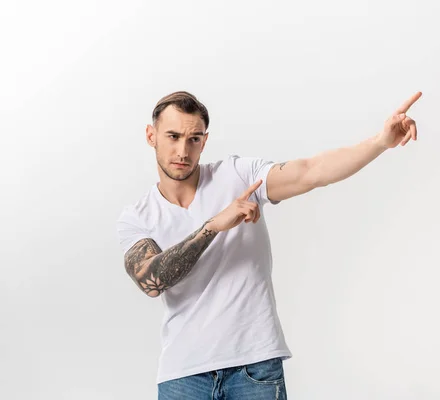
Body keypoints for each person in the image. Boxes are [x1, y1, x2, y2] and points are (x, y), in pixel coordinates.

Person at [116, 90, 421, 399]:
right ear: (151, 135)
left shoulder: (237, 176)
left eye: (194, 139)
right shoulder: (138, 216)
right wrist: (213, 226)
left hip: (254, 368)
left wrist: (380, 142)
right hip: (183, 375)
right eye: (173, 136)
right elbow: (151, 281)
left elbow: (310, 172)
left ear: (204, 141)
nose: (183, 150)